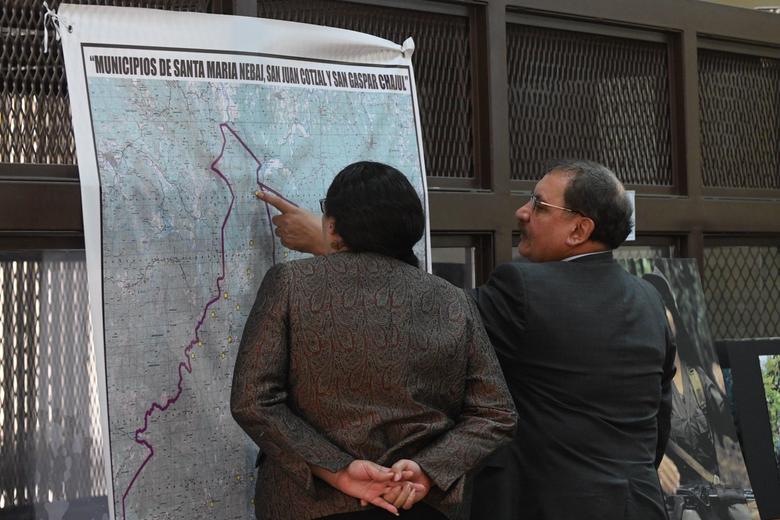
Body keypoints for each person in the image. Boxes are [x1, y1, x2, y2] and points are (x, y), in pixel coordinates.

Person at [258, 158, 676, 520]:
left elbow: (425, 308)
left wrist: (338, 245)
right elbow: (658, 422)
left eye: (539, 205)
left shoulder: (525, 290)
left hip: (543, 506)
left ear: (579, 229)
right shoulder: (649, 299)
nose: (522, 213)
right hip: (635, 503)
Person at [231, 161, 517, 520]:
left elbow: (253, 400)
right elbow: (496, 413)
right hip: (417, 504)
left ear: (332, 228)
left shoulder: (289, 283)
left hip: (308, 506)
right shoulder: (452, 299)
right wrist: (428, 469)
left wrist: (339, 469)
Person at [644, 272, 751, 520]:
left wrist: (728, 386)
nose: (660, 318)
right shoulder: (644, 386)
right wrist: (655, 462)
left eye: (664, 308)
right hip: (678, 497)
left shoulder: (698, 378)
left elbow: (730, 421)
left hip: (715, 487)